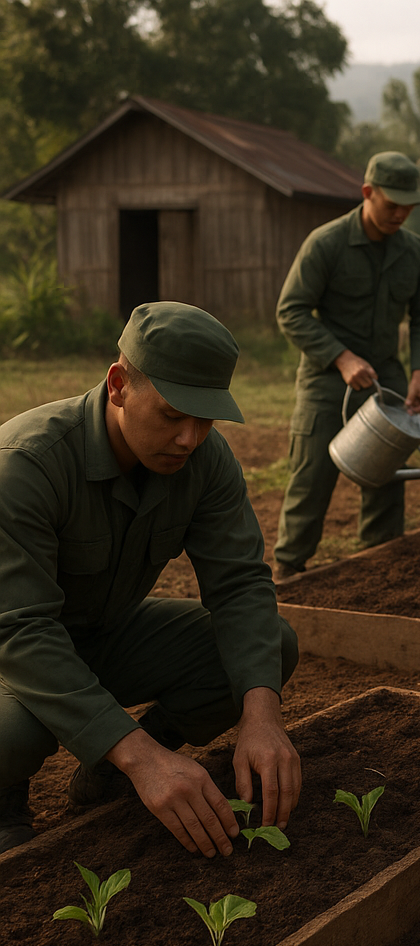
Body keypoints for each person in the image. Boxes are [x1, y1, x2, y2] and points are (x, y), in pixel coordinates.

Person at [0, 302, 301, 857]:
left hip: (104, 633)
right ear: (118, 385)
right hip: (16, 653)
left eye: (206, 418)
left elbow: (239, 584)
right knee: (14, 735)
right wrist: (143, 758)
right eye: (172, 414)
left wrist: (263, 716)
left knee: (267, 652)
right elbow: (21, 632)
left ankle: (113, 772)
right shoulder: (26, 463)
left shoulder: (204, 460)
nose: (190, 438)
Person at [273, 151, 420, 578]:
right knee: (312, 474)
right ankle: (289, 570)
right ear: (368, 193)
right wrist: (341, 357)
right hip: (326, 375)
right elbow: (291, 310)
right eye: (392, 204)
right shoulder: (326, 243)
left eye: (409, 206)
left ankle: (379, 565)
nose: (401, 214)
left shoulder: (416, 253)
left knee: (387, 474)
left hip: (387, 374)